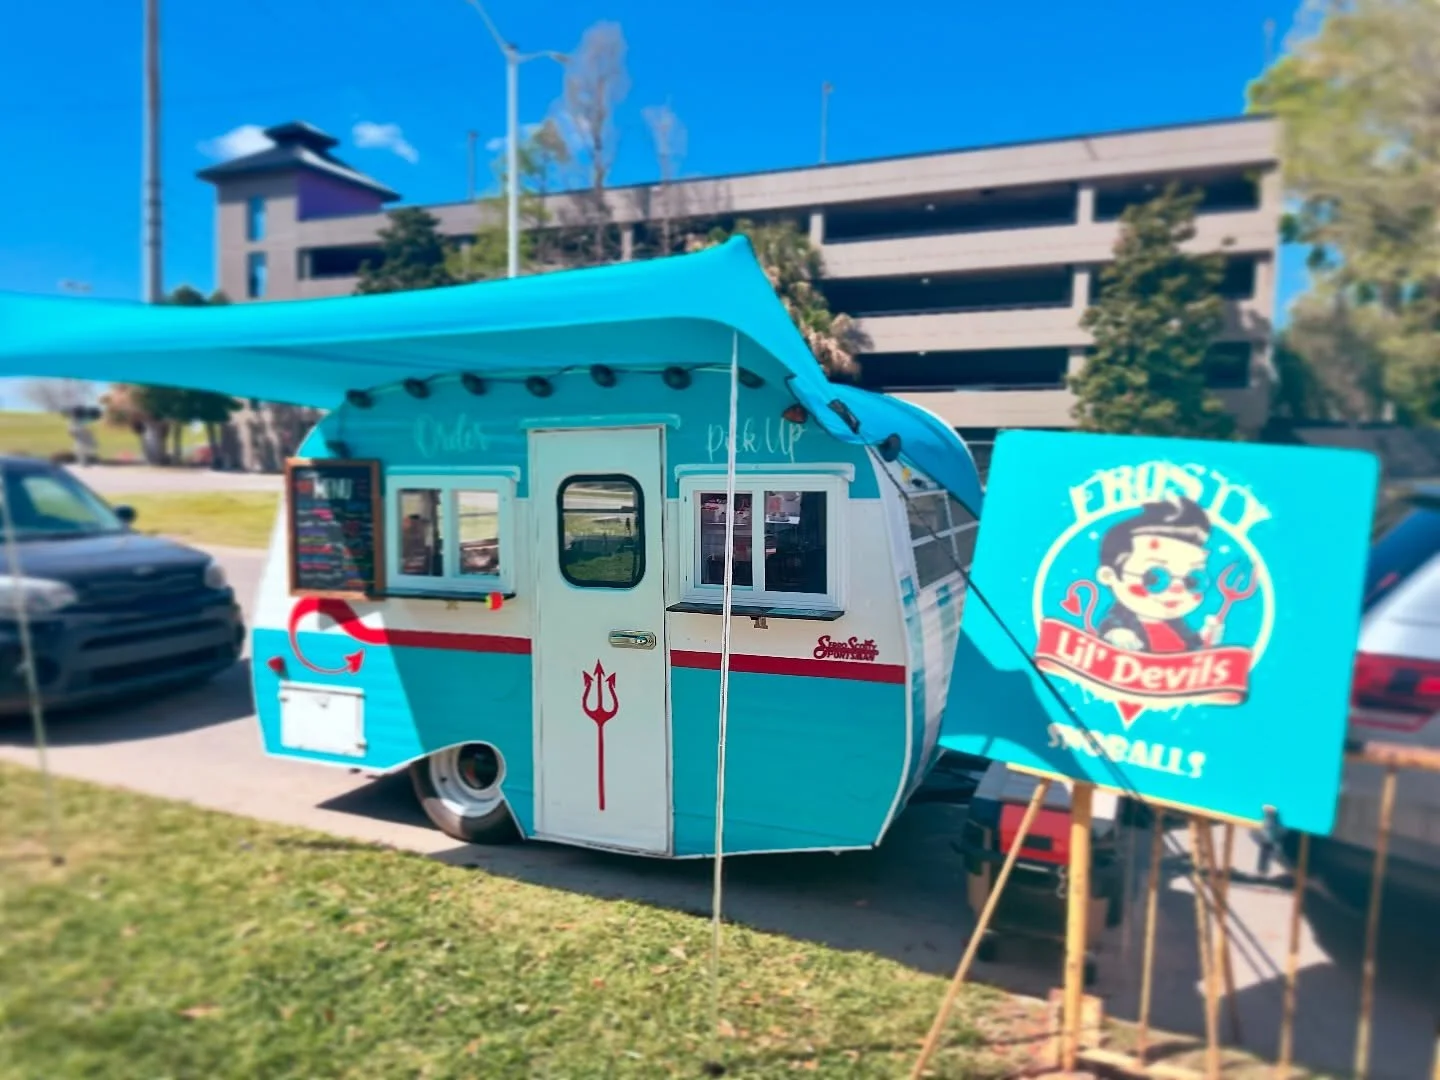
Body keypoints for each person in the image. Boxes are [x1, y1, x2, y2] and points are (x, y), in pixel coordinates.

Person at [1094, 496, 1219, 654]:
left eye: (1192, 581)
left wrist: (1206, 637)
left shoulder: (1175, 623)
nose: (1176, 590)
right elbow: (1109, 626)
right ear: (1109, 576)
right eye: (1154, 578)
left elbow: (1191, 645)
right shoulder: (1119, 620)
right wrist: (1116, 633)